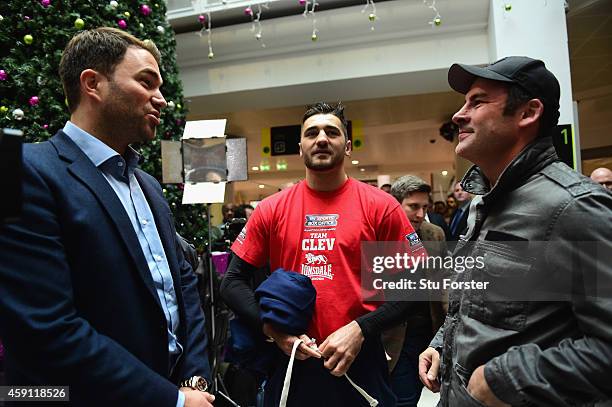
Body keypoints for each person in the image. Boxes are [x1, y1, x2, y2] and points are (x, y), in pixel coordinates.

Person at [0, 28, 213, 407]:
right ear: (93, 84)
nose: (161, 100)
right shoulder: (22, 169)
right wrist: (171, 400)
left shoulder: (147, 185)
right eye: (146, 83)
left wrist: (195, 382)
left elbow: (183, 290)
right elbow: (44, 328)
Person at [418, 56, 612, 406]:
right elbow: (487, 302)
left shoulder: (575, 207)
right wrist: (441, 344)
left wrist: (502, 378)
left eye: (477, 102)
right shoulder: (490, 201)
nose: (458, 115)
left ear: (527, 113)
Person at [220, 102, 426, 407]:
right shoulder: (270, 209)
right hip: (291, 359)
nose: (321, 138)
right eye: (311, 133)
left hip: (361, 359)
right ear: (300, 147)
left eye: (332, 132)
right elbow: (232, 282)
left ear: (348, 146)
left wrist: (360, 329)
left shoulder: (380, 207)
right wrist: (273, 331)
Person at [387, 175, 449, 407]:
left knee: (420, 391)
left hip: (431, 330)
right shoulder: (380, 235)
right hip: (395, 334)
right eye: (413, 207)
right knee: (402, 397)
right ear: (396, 204)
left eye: (425, 207)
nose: (421, 214)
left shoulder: (435, 234)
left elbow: (442, 282)